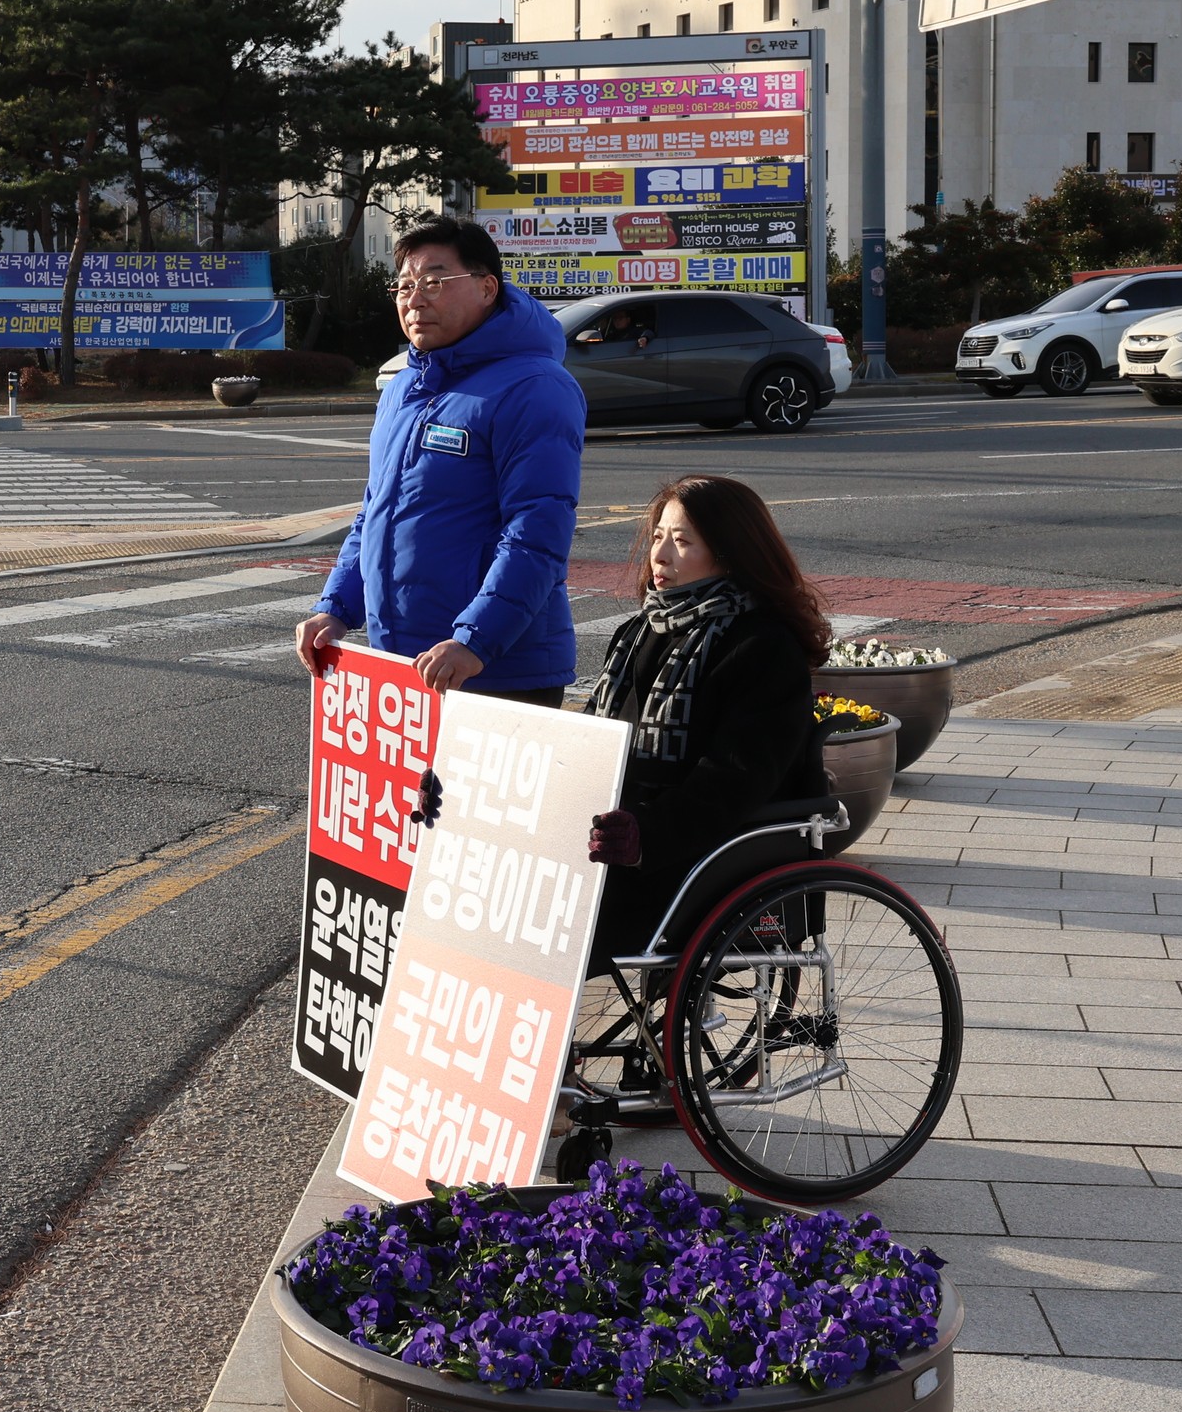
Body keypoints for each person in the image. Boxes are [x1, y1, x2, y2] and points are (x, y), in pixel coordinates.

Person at [296, 217, 585, 700]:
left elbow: (538, 528)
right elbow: (375, 512)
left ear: (487, 287)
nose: (414, 298)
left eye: (434, 281)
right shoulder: (404, 388)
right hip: (403, 663)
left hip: (494, 668)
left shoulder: (534, 387)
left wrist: (477, 639)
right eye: (405, 285)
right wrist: (337, 607)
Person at [579, 473, 832, 970]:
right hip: (616, 842)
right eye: (657, 537)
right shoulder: (638, 632)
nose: (661, 557)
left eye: (682, 542)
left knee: (537, 930)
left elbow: (734, 780)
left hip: (685, 862)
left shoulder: (761, 647)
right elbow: (588, 740)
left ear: (731, 553)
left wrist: (644, 836)